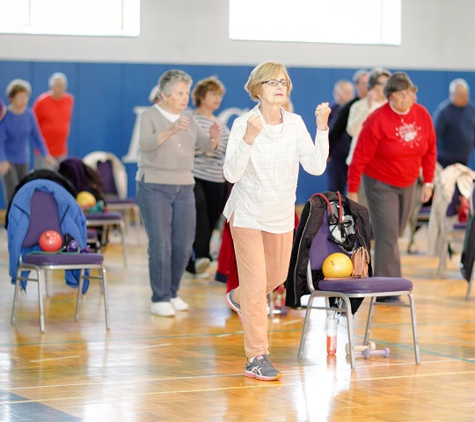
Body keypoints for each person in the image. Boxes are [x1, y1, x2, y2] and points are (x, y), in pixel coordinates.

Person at [223, 61, 330, 381]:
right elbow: (231, 173)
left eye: (283, 81)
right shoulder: (245, 123)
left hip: (281, 215)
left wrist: (321, 127)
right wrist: (248, 140)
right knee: (257, 289)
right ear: (256, 90)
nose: (279, 86)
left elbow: (315, 166)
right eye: (271, 82)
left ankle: (237, 297)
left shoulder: (296, 124)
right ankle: (257, 356)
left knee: (274, 279)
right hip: (247, 214)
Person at [136, 69, 222, 317]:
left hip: (184, 186)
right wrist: (171, 130)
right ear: (164, 94)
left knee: (184, 244)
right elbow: (146, 144)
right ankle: (159, 297)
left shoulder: (190, 119)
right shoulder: (149, 116)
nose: (185, 98)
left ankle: (173, 293)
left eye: (186, 92)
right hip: (153, 185)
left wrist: (213, 139)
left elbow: (205, 147)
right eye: (179, 93)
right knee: (160, 244)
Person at [347, 72, 437, 302]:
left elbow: (430, 149)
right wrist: (353, 188)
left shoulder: (422, 114)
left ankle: (371, 247)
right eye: (400, 94)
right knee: (388, 235)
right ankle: (387, 291)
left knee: (395, 231)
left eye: (409, 93)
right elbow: (359, 156)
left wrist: (428, 181)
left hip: (407, 183)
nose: (406, 98)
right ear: (390, 97)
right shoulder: (377, 119)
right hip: (380, 183)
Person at [185, 76, 230, 277]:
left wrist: (212, 143)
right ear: (201, 96)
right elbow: (192, 146)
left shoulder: (221, 124)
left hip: (217, 179)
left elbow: (226, 149)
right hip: (194, 176)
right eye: (213, 94)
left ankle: (197, 259)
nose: (217, 99)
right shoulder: (190, 119)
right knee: (199, 217)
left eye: (220, 96)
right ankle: (200, 257)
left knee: (212, 219)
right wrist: (210, 143)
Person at [0, 79, 56, 204]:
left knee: (24, 192)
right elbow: (0, 141)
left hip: (24, 160)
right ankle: (12, 222)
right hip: (8, 162)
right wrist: (3, 160)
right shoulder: (5, 115)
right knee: (12, 193)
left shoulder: (29, 114)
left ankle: (23, 222)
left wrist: (46, 154)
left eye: (26, 97)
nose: (24, 100)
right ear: (12, 97)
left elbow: (37, 137)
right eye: (21, 97)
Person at [328, 70, 369, 191]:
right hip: (339, 155)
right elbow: (334, 131)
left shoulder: (372, 105)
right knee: (337, 188)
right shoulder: (346, 108)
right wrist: (328, 151)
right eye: (345, 92)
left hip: (359, 154)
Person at [346, 68, 391, 165]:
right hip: (361, 162)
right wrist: (368, 109)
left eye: (389, 84)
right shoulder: (359, 106)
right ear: (373, 86)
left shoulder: (392, 107)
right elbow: (353, 131)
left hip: (385, 163)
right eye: (383, 84)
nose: (387, 87)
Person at [33, 72, 74, 169]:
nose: (61, 88)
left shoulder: (69, 100)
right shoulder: (41, 102)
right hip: (45, 152)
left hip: (61, 151)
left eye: (63, 85)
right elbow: (33, 126)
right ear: (51, 86)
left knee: (60, 180)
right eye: (58, 86)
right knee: (45, 179)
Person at [432, 78, 475, 168]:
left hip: (464, 159)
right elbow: (434, 137)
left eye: (466, 95)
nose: (465, 98)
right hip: (445, 161)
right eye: (461, 95)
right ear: (452, 95)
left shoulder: (471, 109)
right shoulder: (444, 112)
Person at [326, 79, 355, 193]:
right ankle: (336, 210)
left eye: (351, 92)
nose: (350, 95)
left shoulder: (357, 110)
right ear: (336, 94)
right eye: (346, 92)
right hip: (337, 157)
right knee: (336, 189)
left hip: (353, 155)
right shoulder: (330, 112)